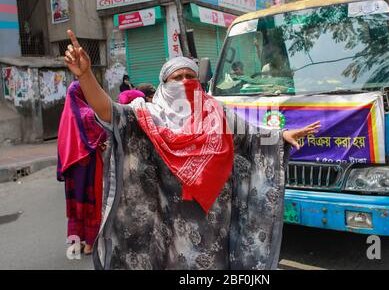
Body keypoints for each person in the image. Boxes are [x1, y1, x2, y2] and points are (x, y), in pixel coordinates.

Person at [63, 30, 320, 270]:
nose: (185, 82)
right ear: (164, 84)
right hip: (172, 224)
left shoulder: (217, 113)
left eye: (190, 77)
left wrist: (282, 136)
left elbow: (252, 136)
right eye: (177, 78)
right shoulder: (149, 116)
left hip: (216, 224)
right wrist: (85, 75)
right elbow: (109, 112)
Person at [57, 81, 107, 256]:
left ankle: (76, 242)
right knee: (91, 201)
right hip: (90, 165)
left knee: (75, 203)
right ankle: (90, 244)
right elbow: (103, 132)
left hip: (71, 168)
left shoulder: (65, 116)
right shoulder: (88, 114)